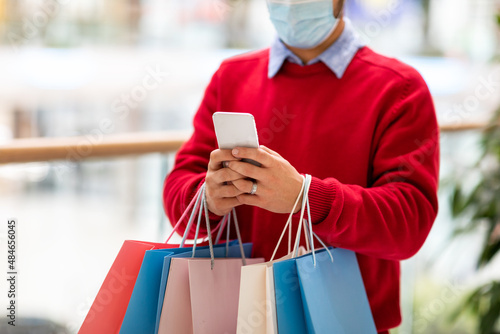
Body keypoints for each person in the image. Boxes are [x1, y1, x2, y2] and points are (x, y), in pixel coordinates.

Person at [163, 0, 439, 332]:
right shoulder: (231, 77)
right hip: (234, 318)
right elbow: (180, 190)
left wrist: (307, 199)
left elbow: (408, 224)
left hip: (346, 322)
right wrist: (207, 199)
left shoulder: (399, 89)